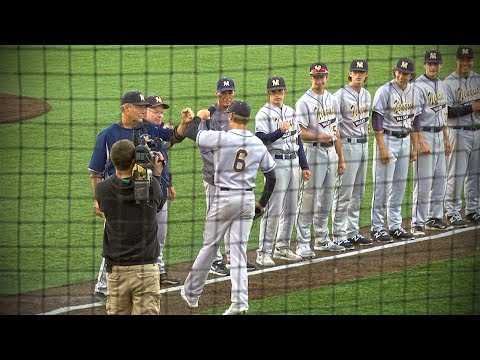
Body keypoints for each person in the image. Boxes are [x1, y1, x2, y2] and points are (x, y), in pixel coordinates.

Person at [89, 90, 195, 303]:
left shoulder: (150, 128)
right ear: (125, 108)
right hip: (119, 197)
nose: (143, 110)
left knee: (156, 235)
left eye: (144, 107)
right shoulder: (108, 135)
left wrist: (184, 124)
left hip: (149, 192)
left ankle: (153, 273)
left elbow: (174, 135)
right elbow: (96, 171)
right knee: (116, 239)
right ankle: (103, 285)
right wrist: (97, 198)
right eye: (139, 107)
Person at [181, 100, 277, 315]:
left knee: (210, 246)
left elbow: (195, 134)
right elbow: (271, 175)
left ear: (230, 117)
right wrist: (262, 203)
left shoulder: (222, 138)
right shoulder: (257, 144)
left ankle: (192, 293)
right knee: (238, 251)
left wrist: (202, 118)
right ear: (248, 119)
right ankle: (240, 302)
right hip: (247, 201)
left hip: (225, 199)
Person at [95, 139, 166, 314]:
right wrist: (154, 174)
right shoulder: (150, 186)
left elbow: (123, 191)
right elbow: (158, 204)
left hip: (116, 271)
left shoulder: (102, 189)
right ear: (135, 160)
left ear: (112, 160)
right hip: (145, 269)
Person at [197, 77, 256, 275]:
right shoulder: (210, 115)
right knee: (214, 219)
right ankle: (214, 260)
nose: (227, 96)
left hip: (234, 180)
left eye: (230, 92)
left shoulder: (236, 114)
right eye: (224, 93)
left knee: (234, 218)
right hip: (214, 178)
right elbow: (204, 146)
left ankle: (233, 258)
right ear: (217, 94)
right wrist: (218, 170)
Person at [254, 76, 311, 267]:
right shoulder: (263, 113)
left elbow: (298, 141)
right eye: (274, 92)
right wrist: (279, 131)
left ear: (284, 92)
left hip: (293, 162)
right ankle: (263, 252)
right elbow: (261, 139)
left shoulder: (291, 111)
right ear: (269, 93)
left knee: (290, 208)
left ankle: (282, 248)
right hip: (276, 164)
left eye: (280, 91)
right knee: (273, 210)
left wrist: (304, 166)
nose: (277, 95)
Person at [295, 62, 347, 253]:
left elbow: (337, 130)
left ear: (327, 77)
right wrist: (320, 136)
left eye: (321, 76)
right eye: (315, 77)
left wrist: (341, 158)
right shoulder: (303, 102)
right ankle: (302, 243)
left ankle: (322, 239)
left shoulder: (332, 100)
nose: (318, 80)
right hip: (313, 152)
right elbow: (299, 133)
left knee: (326, 197)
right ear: (311, 78)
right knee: (309, 197)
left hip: (331, 152)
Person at [370, 58, 420, 243]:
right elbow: (376, 120)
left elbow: (416, 121)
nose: (400, 75)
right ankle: (377, 227)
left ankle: (395, 226)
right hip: (388, 140)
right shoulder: (384, 91)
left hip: (406, 140)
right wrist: (382, 147)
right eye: (398, 72)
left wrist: (415, 147)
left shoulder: (415, 91)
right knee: (382, 186)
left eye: (405, 73)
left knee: (399, 186)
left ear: (411, 75)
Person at [410, 49, 453, 236]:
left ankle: (434, 218)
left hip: (439, 136)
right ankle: (417, 222)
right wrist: (420, 142)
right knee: (423, 182)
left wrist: (446, 139)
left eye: (436, 64)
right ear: (424, 65)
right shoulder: (417, 86)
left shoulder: (442, 85)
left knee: (440, 179)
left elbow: (443, 114)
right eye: (430, 63)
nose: (433, 66)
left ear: (440, 65)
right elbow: (415, 117)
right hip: (425, 136)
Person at [331, 59, 373, 248]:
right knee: (344, 192)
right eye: (355, 71)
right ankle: (338, 234)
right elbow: (335, 128)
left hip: (364, 146)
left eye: (361, 72)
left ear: (366, 75)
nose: (358, 74)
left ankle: (353, 231)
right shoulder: (338, 96)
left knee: (358, 191)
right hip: (347, 146)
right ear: (349, 73)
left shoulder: (366, 95)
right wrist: (340, 156)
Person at [144, 94, 181, 285]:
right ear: (144, 111)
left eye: (161, 112)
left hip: (161, 188)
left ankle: (158, 270)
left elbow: (164, 159)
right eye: (155, 112)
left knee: (160, 232)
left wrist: (170, 182)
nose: (159, 115)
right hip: (140, 192)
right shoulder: (139, 131)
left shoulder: (159, 133)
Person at [443, 45, 480, 227]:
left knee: (475, 174)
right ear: (456, 60)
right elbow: (447, 111)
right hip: (458, 133)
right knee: (456, 174)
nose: (465, 63)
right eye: (462, 60)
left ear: (472, 60)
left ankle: (473, 210)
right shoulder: (448, 82)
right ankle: (452, 212)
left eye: (468, 60)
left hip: (477, 131)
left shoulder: (478, 79)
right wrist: (471, 108)